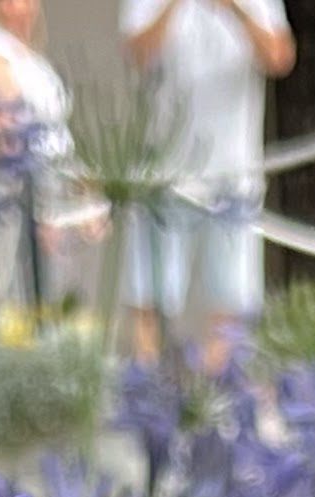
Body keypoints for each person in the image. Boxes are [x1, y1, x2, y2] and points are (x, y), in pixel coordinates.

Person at [123, 0, 290, 367]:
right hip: (164, 175)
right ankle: (149, 395)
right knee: (150, 300)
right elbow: (137, 53)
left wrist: (235, 9)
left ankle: (219, 404)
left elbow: (279, 58)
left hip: (232, 174)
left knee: (231, 303)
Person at [0, 0, 76, 321]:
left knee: (49, 312)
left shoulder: (31, 57)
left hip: (49, 203)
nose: (19, 8)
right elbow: (8, 110)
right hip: (11, 204)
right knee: (10, 311)